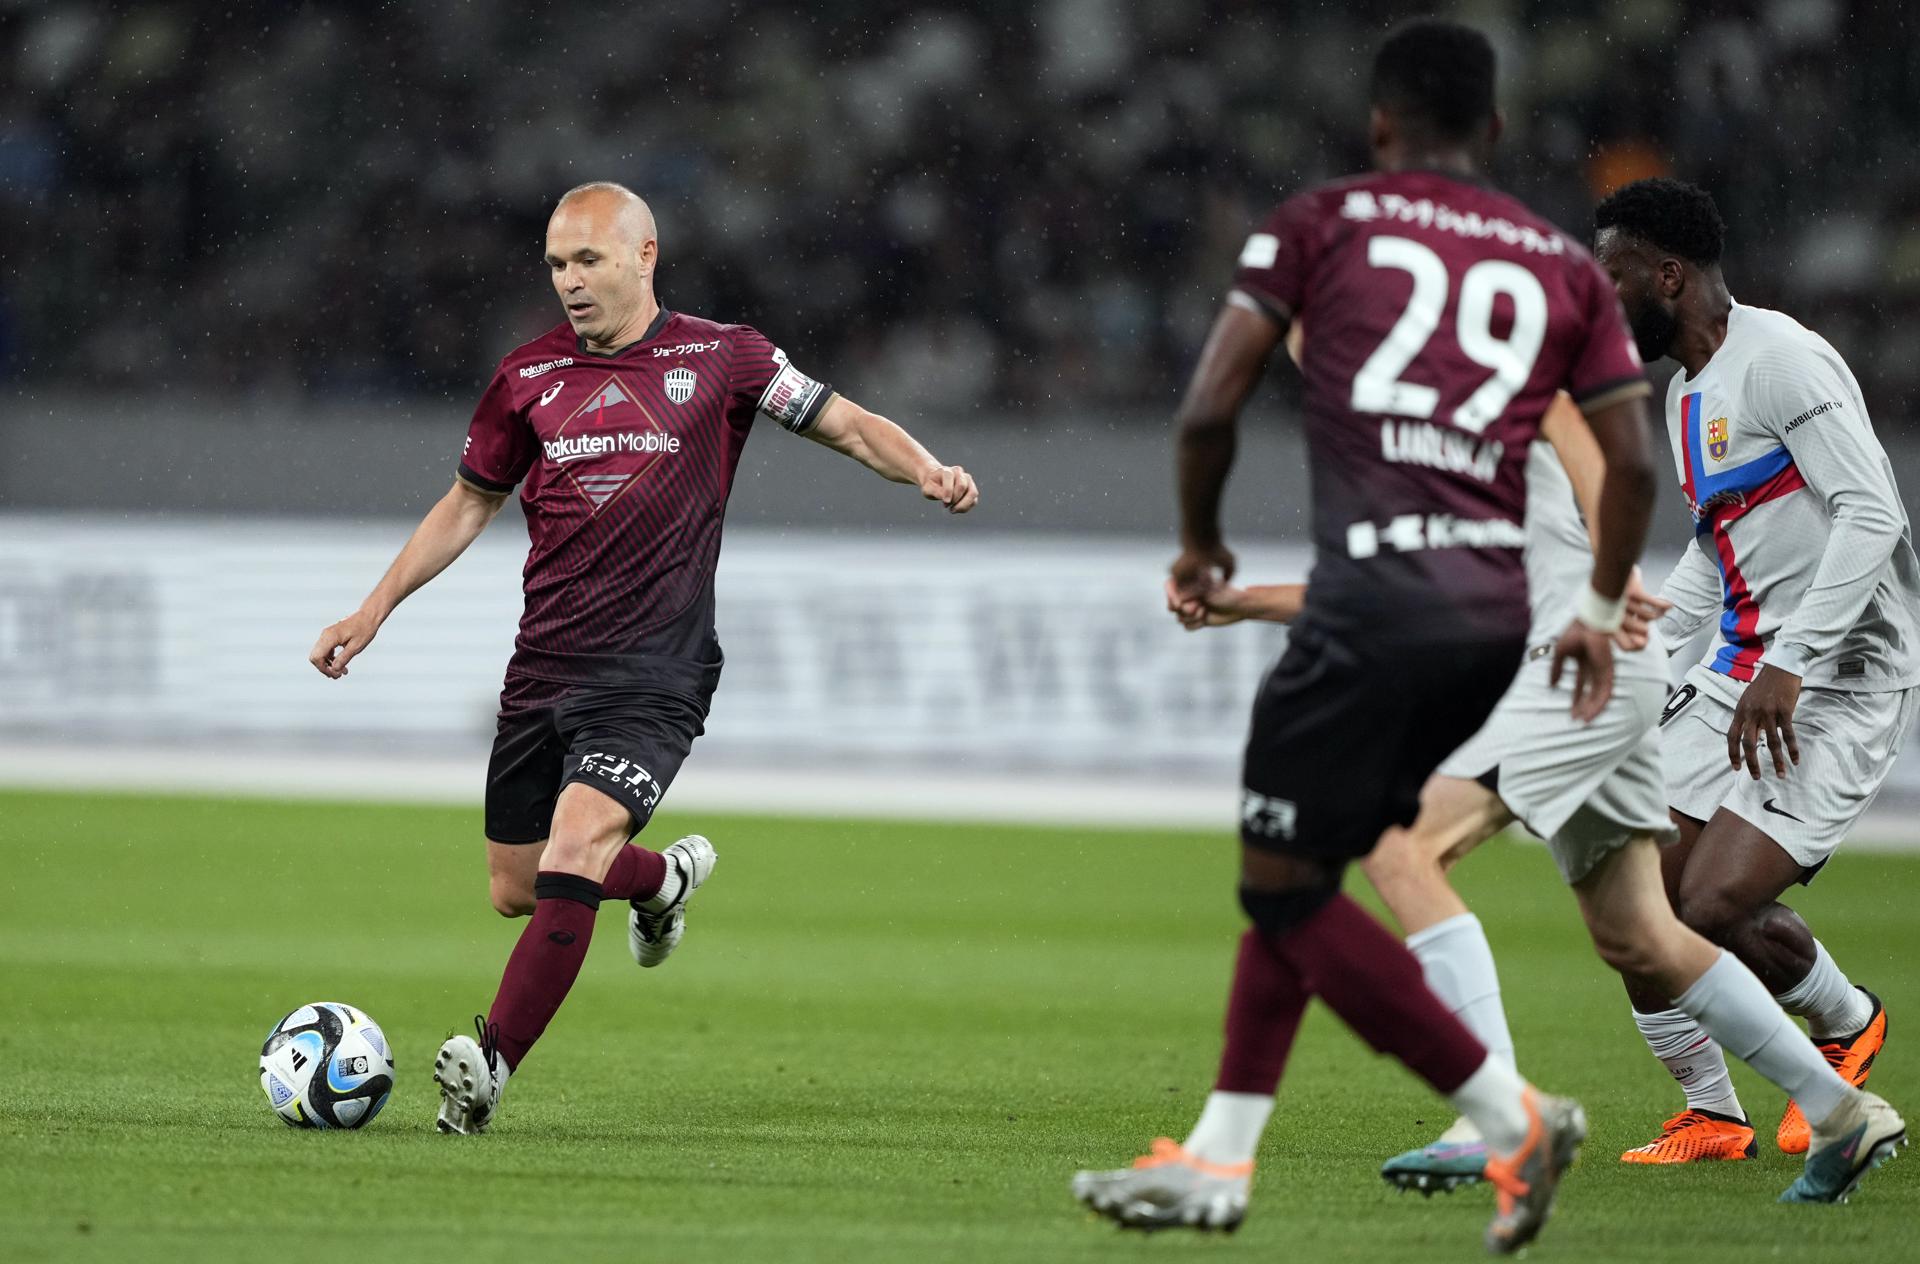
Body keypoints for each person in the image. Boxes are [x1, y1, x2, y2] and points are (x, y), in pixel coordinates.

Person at [1071, 21, 1658, 1254]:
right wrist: (1601, 606)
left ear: (1380, 125)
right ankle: (1221, 1159)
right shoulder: (1563, 263)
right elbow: (1633, 463)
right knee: (1311, 870)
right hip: (1494, 623)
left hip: (1371, 609)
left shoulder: (1324, 220)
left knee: (1279, 891)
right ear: (1495, 130)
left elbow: (1207, 404)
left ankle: (1512, 1112)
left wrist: (1199, 541)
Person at [308, 182, 979, 1135]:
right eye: (555, 265)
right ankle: (660, 882)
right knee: (517, 884)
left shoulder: (724, 357)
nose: (569, 283)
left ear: (644, 256)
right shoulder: (526, 377)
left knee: (576, 845)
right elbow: (467, 504)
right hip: (544, 666)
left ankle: (488, 1065)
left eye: (587, 261)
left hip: (655, 673)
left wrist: (926, 469)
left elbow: (843, 420)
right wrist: (373, 608)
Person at [1174, 388, 1907, 1207]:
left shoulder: (1440, 404)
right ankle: (1839, 1113)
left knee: (1402, 847)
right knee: (1644, 935)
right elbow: (1580, 489)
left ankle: (1495, 1119)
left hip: (1567, 671)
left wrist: (1606, 583)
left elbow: (1406, 586)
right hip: (1598, 669)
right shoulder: (1481, 392)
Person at [1593, 178, 1913, 1173]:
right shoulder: (1688, 395)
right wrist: (1646, 629)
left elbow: (1874, 516)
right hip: (1747, 667)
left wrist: (1793, 661)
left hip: (1841, 677)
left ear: (1669, 274)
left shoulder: (1782, 360)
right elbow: (1715, 540)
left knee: (1708, 911)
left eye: (1614, 281)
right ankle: (1712, 1114)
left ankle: (1845, 1021)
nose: (1603, 306)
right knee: (1625, 898)